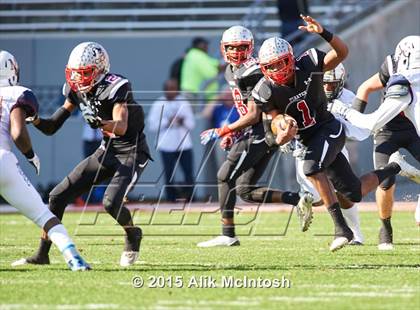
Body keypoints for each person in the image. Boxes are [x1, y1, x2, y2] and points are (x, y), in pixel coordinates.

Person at [252, 15, 411, 251]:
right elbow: (275, 118)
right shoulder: (264, 90)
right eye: (271, 66)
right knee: (354, 192)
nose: (276, 69)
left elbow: (342, 52)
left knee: (311, 167)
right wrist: (281, 131)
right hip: (307, 138)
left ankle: (341, 229)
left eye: (280, 62)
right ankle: (396, 166)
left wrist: (324, 32)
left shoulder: (308, 63)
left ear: (290, 59)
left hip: (328, 128)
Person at [19, 42, 152, 267]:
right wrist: (36, 119)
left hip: (132, 152)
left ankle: (132, 233)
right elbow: (52, 126)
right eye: (75, 74)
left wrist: (101, 122)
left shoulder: (117, 85)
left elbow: (121, 126)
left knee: (111, 202)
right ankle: (43, 254)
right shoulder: (76, 91)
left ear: (100, 69)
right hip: (106, 151)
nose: (79, 80)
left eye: (85, 74)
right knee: (57, 196)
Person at [198, 25, 313, 248]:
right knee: (245, 190)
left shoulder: (253, 71)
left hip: (262, 131)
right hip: (256, 131)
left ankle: (228, 234)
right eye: (231, 47)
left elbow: (253, 114)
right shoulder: (231, 70)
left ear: (250, 47)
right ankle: (298, 199)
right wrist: (235, 132)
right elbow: (244, 110)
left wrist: (225, 130)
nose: (235, 51)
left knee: (224, 177)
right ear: (223, 48)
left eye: (241, 47)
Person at [0, 50, 90, 271]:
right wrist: (31, 155)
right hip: (2, 161)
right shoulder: (17, 93)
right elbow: (18, 132)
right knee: (44, 216)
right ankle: (73, 257)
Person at [330, 36, 420, 249]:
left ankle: (407, 170)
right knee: (385, 182)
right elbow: (367, 93)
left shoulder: (404, 77)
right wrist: (352, 120)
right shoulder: (400, 76)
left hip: (409, 129)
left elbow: (369, 123)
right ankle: (385, 228)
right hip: (388, 128)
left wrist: (342, 110)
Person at [290, 63, 368, 245]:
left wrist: (341, 118)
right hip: (306, 148)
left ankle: (356, 234)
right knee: (316, 198)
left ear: (341, 82)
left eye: (332, 84)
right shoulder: (307, 92)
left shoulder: (348, 99)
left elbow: (361, 132)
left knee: (345, 193)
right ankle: (304, 200)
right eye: (324, 83)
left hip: (335, 145)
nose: (327, 88)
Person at [148, 79, 195, 202]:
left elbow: (192, 124)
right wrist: (167, 121)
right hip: (166, 145)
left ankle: (191, 199)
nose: (171, 91)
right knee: (169, 174)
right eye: (169, 88)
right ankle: (170, 200)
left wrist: (182, 121)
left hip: (184, 144)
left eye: (173, 88)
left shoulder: (184, 103)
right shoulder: (158, 104)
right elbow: (152, 126)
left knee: (188, 173)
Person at [180, 37, 224, 106]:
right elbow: (212, 74)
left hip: (192, 94)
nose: (207, 46)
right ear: (199, 45)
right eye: (205, 44)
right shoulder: (197, 55)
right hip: (192, 95)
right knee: (195, 116)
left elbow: (214, 63)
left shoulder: (194, 54)